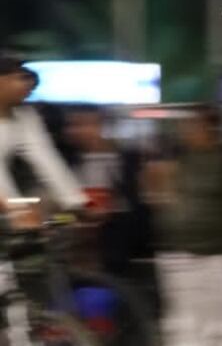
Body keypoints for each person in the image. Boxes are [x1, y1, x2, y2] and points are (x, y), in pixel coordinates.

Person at [151, 105, 222, 346]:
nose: (187, 131)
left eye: (194, 125)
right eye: (185, 125)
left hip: (218, 241)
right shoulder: (174, 157)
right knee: (184, 303)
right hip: (177, 242)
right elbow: (159, 192)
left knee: (221, 302)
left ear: (210, 127)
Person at [64, 105, 154, 279]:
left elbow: (141, 203)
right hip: (80, 250)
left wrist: (112, 211)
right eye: (73, 125)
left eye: (84, 124)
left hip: (119, 249)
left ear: (101, 126)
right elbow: (64, 207)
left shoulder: (128, 159)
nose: (77, 131)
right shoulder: (70, 161)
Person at [0, 53, 86, 212]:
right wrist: (17, 211)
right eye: (19, 77)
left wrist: (76, 202)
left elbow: (46, 158)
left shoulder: (25, 116)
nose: (27, 88)